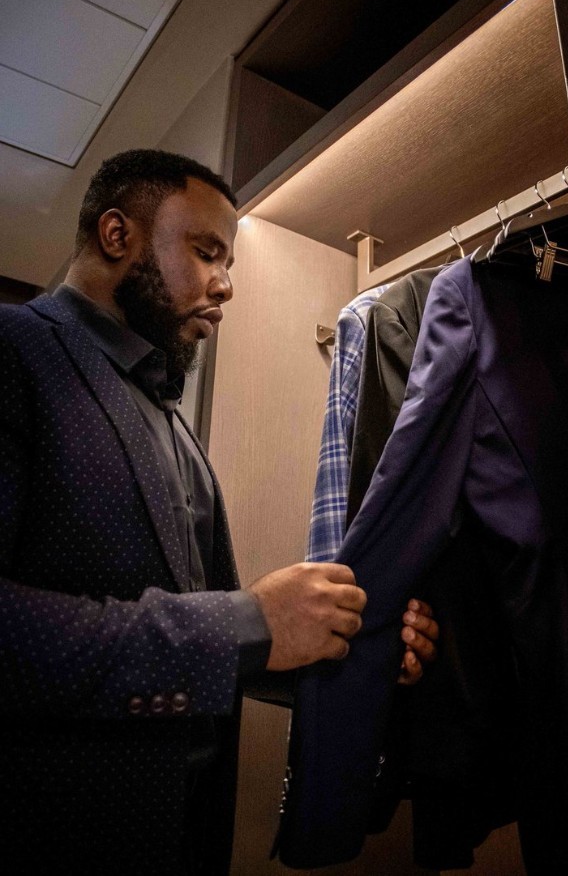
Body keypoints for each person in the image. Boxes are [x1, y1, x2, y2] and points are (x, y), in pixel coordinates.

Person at [0, 150, 438, 875]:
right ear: (118, 235)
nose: (226, 285)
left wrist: (342, 642)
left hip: (186, 835)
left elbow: (211, 633)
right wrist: (248, 622)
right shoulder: (15, 350)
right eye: (206, 253)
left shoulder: (170, 420)